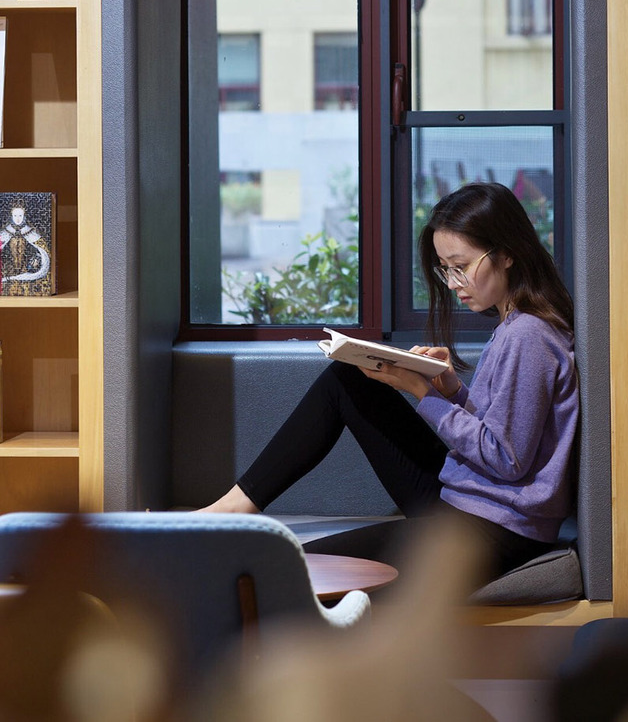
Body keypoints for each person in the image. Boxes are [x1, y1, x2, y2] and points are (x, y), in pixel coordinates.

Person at [202, 182, 578, 580]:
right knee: (348, 378)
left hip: (496, 530)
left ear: (506, 255)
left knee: (288, 570)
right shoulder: (516, 325)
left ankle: (232, 522)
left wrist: (422, 393)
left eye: (461, 267)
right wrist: (449, 388)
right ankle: (233, 507)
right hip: (475, 502)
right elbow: (503, 431)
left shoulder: (528, 335)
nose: (452, 283)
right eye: (444, 269)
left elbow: (506, 459)